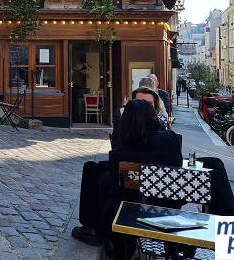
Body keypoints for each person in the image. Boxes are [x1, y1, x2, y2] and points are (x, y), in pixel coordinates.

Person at [72, 100, 182, 252]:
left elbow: (115, 192)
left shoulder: (122, 153)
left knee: (95, 172)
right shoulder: (170, 139)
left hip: (137, 204)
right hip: (168, 202)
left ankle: (93, 228)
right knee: (95, 169)